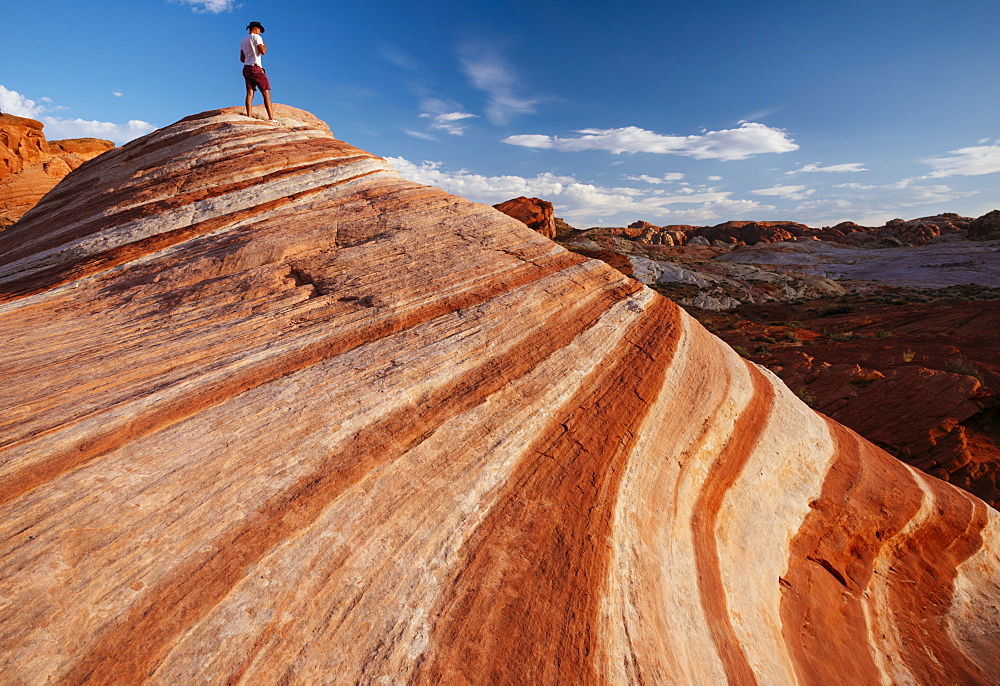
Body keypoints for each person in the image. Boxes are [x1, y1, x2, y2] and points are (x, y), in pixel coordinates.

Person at [240, 21, 275, 122]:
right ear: (255, 28)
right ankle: (271, 118)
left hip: (246, 68)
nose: (260, 32)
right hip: (256, 68)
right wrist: (264, 45)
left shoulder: (243, 41)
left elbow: (242, 59)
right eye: (259, 30)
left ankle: (249, 116)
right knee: (266, 92)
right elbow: (263, 52)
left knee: (250, 93)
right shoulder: (257, 37)